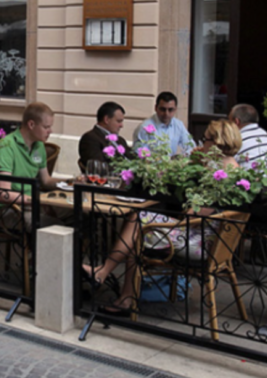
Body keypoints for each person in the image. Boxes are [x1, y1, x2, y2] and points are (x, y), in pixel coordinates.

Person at [85, 118, 241, 313]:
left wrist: (186, 209)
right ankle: (122, 295)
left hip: (199, 241)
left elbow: (195, 214)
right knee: (137, 231)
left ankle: (109, 277)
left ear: (217, 142)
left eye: (206, 140)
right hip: (215, 240)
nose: (203, 144)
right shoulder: (232, 167)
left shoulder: (221, 173)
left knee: (137, 220)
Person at [0, 102, 60, 228]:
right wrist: (37, 200)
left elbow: (46, 180)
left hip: (30, 204)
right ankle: (40, 247)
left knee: (78, 215)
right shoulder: (7, 145)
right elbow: (4, 194)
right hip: (8, 210)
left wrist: (70, 183)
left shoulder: (39, 145)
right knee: (57, 227)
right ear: (31, 124)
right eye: (46, 127)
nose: (50, 131)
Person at [228, 103, 267, 185]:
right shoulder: (266, 135)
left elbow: (229, 169)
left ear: (236, 122)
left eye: (229, 122)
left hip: (265, 195)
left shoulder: (238, 140)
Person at [133, 91, 192, 155]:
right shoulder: (145, 127)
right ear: (155, 108)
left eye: (170, 110)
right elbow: (140, 154)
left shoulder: (179, 125)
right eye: (163, 109)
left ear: (175, 109)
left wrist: (182, 157)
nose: (166, 113)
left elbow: (190, 146)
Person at [78, 101, 129, 168]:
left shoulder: (120, 140)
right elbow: (98, 167)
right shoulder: (90, 139)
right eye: (118, 121)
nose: (121, 125)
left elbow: (132, 157)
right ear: (107, 120)